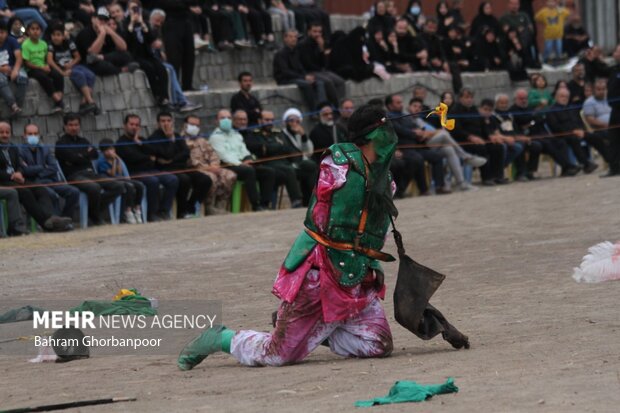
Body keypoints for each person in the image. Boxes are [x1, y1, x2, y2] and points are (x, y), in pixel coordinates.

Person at [177, 104, 399, 370]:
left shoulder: (386, 179)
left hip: (357, 272)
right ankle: (220, 338)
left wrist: (372, 263)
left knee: (378, 343)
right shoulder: (338, 162)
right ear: (374, 137)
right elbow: (324, 217)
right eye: (385, 132)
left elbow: (377, 229)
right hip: (321, 269)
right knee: (278, 355)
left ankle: (318, 332)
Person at [0, 122, 73, 232]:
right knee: (25, 192)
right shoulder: (20, 148)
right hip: (4, 181)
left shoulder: (13, 148)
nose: (5, 135)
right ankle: (46, 224)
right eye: (1, 132)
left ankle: (50, 218)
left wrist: (19, 172)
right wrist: (12, 175)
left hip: (16, 179)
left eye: (7, 132)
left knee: (40, 189)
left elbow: (19, 165)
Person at [55, 113, 124, 225]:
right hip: (74, 176)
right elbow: (72, 157)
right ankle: (96, 217)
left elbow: (95, 154)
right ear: (65, 126)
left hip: (91, 174)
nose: (74, 128)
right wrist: (84, 154)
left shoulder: (83, 140)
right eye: (71, 125)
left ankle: (93, 211)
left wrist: (78, 156)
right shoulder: (61, 143)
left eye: (76, 125)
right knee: (94, 187)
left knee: (118, 186)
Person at [409, 97, 485, 191]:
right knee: (444, 134)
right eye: (414, 106)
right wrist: (433, 133)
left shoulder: (419, 120)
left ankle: (461, 183)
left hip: (431, 143)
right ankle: (464, 156)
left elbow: (430, 132)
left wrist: (432, 132)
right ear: (409, 107)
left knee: (449, 148)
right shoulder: (408, 118)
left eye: (419, 107)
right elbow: (422, 135)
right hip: (422, 147)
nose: (417, 109)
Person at [116, 114, 179, 222]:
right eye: (131, 124)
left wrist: (140, 143)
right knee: (153, 181)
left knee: (172, 179)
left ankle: (163, 211)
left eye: (137, 125)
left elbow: (154, 151)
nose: (134, 127)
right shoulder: (121, 142)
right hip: (134, 172)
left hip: (150, 170)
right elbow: (134, 158)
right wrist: (149, 158)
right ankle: (152, 213)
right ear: (124, 126)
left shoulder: (141, 139)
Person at [148, 111, 212, 218]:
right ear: (158, 123)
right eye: (163, 121)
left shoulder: (177, 136)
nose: (166, 124)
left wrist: (172, 159)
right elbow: (166, 154)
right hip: (166, 170)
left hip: (180, 167)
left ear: (172, 122)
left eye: (168, 121)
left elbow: (186, 153)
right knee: (184, 180)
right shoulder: (154, 138)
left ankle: (190, 207)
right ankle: (181, 212)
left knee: (205, 180)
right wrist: (170, 141)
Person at [210, 109, 275, 211]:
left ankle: (265, 204)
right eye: (222, 118)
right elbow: (224, 156)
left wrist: (248, 159)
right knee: (249, 171)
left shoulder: (236, 134)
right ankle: (255, 204)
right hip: (228, 165)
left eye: (228, 118)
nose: (226, 120)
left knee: (268, 172)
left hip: (243, 163)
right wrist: (241, 164)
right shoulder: (215, 138)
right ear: (216, 121)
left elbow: (244, 150)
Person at [386, 94, 450, 195]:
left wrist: (421, 132)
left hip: (416, 146)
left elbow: (415, 126)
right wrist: (414, 133)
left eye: (401, 102)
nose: (401, 104)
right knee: (417, 159)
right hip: (404, 148)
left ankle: (439, 186)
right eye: (398, 103)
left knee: (438, 157)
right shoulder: (389, 117)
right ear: (390, 105)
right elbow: (399, 130)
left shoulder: (404, 115)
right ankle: (423, 190)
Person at [510, 87, 579, 177]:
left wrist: (532, 120)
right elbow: (522, 120)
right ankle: (568, 166)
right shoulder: (513, 110)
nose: (524, 100)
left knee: (560, 142)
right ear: (515, 99)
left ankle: (565, 169)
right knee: (545, 144)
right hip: (528, 137)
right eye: (521, 98)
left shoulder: (530, 108)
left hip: (540, 134)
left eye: (525, 98)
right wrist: (533, 118)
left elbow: (539, 119)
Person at [18, 123, 79, 219]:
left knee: (74, 192)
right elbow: (25, 170)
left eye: (35, 133)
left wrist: (37, 171)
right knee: (50, 194)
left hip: (50, 181)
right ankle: (55, 220)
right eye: (30, 134)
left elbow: (53, 167)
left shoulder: (45, 149)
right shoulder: (20, 151)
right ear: (24, 136)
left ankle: (66, 218)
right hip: (33, 183)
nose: (33, 136)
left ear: (39, 135)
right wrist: (42, 166)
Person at [245, 110, 304, 208]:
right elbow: (261, 149)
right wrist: (277, 147)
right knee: (289, 169)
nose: (270, 122)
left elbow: (289, 148)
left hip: (284, 162)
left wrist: (274, 147)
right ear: (260, 121)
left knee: (309, 166)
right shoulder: (253, 135)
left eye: (272, 120)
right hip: (268, 163)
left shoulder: (278, 133)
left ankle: (314, 200)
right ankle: (296, 201)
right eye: (267, 120)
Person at [451, 88, 507, 186]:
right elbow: (456, 130)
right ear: (460, 98)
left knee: (497, 147)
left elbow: (483, 125)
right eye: (467, 97)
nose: (469, 100)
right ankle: (486, 178)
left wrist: (490, 136)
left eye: (471, 97)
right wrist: (471, 137)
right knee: (481, 148)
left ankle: (498, 176)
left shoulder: (474, 109)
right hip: (463, 141)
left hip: (480, 139)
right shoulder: (454, 111)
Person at [184, 114, 237, 214]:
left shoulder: (202, 140)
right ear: (185, 125)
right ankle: (209, 206)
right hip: (196, 169)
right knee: (211, 177)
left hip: (211, 167)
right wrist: (209, 168)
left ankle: (221, 204)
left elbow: (213, 154)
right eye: (192, 125)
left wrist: (215, 165)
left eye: (197, 125)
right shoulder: (182, 140)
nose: (195, 128)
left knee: (230, 175)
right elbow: (191, 161)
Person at [124, 0, 170, 107]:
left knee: (161, 69)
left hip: (146, 53)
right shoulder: (125, 22)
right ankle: (157, 95)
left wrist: (143, 25)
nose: (135, 11)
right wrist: (131, 23)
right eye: (132, 8)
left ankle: (165, 97)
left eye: (136, 8)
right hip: (134, 55)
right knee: (149, 68)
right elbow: (126, 40)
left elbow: (151, 38)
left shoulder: (144, 21)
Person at [47, 23, 100, 116]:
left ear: (63, 36)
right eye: (53, 35)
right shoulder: (50, 45)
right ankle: (91, 102)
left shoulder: (69, 43)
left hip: (73, 65)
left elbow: (77, 57)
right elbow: (50, 61)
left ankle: (84, 102)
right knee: (79, 75)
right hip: (61, 68)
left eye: (58, 35)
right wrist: (61, 72)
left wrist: (71, 64)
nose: (56, 37)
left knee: (91, 75)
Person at [545, 87, 601, 174]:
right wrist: (572, 131)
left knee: (594, 136)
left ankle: (610, 159)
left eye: (567, 96)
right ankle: (585, 164)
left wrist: (581, 130)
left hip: (577, 132)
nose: (564, 98)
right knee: (573, 139)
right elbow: (555, 127)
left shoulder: (571, 108)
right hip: (562, 135)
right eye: (562, 96)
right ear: (556, 97)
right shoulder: (551, 110)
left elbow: (579, 122)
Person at [273, 29, 326, 112]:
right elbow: (285, 72)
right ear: (285, 39)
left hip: (297, 77)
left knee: (319, 82)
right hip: (284, 79)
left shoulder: (296, 52)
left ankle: (323, 108)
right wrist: (304, 77)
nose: (294, 39)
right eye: (291, 37)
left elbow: (300, 68)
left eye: (295, 37)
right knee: (306, 84)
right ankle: (313, 112)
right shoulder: (281, 53)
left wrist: (307, 76)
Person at [21, 21, 67, 113]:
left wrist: (46, 66)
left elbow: (47, 59)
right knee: (44, 77)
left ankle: (58, 103)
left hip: (43, 66)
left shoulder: (43, 44)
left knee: (58, 75)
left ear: (41, 31)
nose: (35, 31)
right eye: (32, 29)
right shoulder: (25, 44)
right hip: (32, 69)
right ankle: (58, 101)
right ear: (28, 32)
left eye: (37, 29)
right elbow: (27, 63)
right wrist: (41, 68)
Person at [493, 93, 541, 181]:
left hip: (515, 137)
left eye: (506, 103)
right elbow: (498, 132)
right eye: (501, 103)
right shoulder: (494, 116)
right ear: (496, 104)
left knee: (536, 145)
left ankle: (530, 171)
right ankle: (520, 173)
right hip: (505, 139)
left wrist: (522, 137)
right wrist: (515, 138)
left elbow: (516, 129)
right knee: (520, 146)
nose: (504, 105)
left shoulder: (510, 115)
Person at [75, 7, 134, 76]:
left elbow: (123, 47)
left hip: (104, 57)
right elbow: (92, 53)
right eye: (100, 19)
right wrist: (102, 34)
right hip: (87, 60)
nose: (103, 22)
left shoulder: (108, 30)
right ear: (93, 19)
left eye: (105, 20)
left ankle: (108, 62)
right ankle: (121, 70)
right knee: (102, 64)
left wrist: (112, 33)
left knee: (126, 55)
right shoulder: (85, 33)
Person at [96, 139, 144, 224]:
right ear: (103, 152)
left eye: (111, 149)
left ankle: (137, 209)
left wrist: (118, 160)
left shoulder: (116, 159)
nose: (110, 152)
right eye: (107, 150)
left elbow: (120, 172)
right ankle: (128, 211)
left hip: (120, 178)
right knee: (129, 186)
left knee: (140, 185)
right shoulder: (101, 161)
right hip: (110, 180)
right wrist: (114, 160)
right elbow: (113, 174)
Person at [297, 22, 345, 107]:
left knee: (340, 81)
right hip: (310, 72)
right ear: (309, 32)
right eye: (314, 31)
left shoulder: (320, 43)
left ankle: (342, 103)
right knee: (328, 81)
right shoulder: (303, 44)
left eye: (319, 32)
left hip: (321, 71)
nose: (317, 34)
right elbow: (308, 64)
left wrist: (322, 49)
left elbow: (325, 64)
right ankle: (336, 107)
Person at [279, 108, 318, 206]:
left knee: (311, 168)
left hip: (300, 164)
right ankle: (296, 201)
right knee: (309, 165)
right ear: (286, 122)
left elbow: (309, 152)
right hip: (289, 164)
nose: (294, 123)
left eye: (297, 121)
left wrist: (304, 136)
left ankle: (313, 199)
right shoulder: (281, 134)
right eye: (291, 121)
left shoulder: (300, 134)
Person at [478, 98, 524, 180]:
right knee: (503, 147)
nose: (487, 112)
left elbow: (496, 132)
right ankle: (498, 174)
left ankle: (499, 169)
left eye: (490, 110)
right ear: (480, 108)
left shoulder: (491, 118)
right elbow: (487, 135)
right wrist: (501, 138)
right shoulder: (478, 119)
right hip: (484, 142)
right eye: (485, 109)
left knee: (517, 147)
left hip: (495, 140)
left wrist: (506, 138)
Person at [156, 0, 195, 90]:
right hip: (170, 20)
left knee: (189, 53)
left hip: (185, 18)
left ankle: (187, 84)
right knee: (174, 55)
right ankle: (174, 86)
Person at [582, 79, 618, 175]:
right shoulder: (589, 102)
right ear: (594, 90)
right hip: (600, 130)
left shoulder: (610, 99)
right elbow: (590, 119)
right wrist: (608, 125)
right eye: (599, 89)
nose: (601, 91)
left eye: (603, 89)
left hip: (613, 127)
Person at [0, 19, 27, 116]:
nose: (0, 35)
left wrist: (15, 70)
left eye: (2, 32)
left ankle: (18, 107)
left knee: (23, 77)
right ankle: (13, 105)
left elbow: (19, 58)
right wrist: (2, 69)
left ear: (6, 33)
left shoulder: (12, 41)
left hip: (12, 67)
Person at [499, 0, 537, 68]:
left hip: (524, 40)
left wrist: (519, 30)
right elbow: (506, 30)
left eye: (516, 4)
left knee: (526, 34)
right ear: (509, 5)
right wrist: (517, 30)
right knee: (513, 35)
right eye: (513, 4)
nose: (515, 6)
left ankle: (525, 56)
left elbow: (530, 28)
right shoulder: (504, 18)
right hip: (511, 42)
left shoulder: (524, 15)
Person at [605, 44, 620, 177]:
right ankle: (614, 167)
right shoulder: (614, 69)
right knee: (613, 138)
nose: (615, 54)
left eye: (617, 52)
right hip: (615, 110)